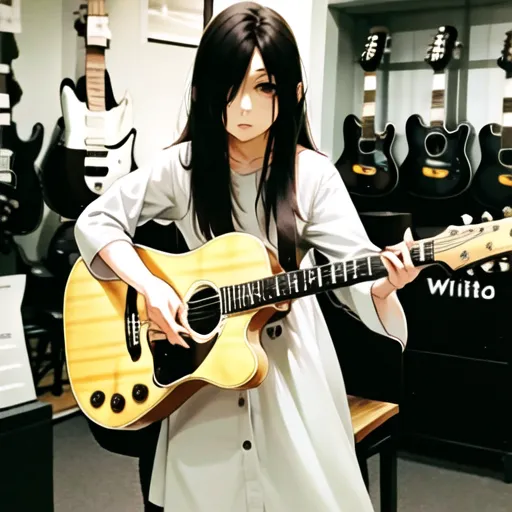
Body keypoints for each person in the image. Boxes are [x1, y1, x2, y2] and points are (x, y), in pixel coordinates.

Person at [74, 2, 421, 511]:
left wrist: (386, 284)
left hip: (290, 366)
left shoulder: (313, 175)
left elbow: (357, 273)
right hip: (203, 366)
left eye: (264, 87)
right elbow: (95, 220)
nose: (242, 107)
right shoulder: (182, 167)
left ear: (293, 92)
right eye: (229, 87)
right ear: (203, 90)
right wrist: (149, 287)